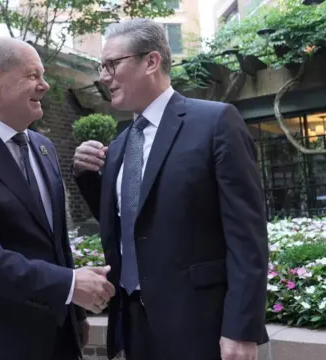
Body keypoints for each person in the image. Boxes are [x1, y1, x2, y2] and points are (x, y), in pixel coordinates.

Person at [72, 19, 269, 360]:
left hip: (200, 326)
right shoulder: (118, 146)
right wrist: (87, 176)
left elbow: (247, 236)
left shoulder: (216, 122)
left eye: (111, 64)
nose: (104, 76)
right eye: (101, 67)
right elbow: (130, 221)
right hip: (134, 326)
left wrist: (241, 329)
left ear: (151, 62)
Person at [0, 37, 115, 360]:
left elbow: (56, 244)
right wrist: (68, 285)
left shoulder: (45, 149)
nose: (44, 86)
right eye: (33, 75)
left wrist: (76, 315)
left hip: (60, 339)